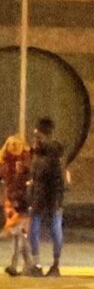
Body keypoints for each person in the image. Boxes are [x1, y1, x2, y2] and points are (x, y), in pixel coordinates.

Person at [24, 117, 66, 276]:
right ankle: (45, 264)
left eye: (37, 135)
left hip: (48, 197)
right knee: (38, 229)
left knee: (51, 229)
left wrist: (55, 200)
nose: (35, 138)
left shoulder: (49, 154)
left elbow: (55, 179)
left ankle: (49, 265)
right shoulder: (42, 153)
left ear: (43, 135)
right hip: (44, 197)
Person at [0, 133, 28, 276]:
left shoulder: (24, 160)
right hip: (12, 202)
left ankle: (17, 264)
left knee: (17, 232)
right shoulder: (5, 161)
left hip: (20, 201)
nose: (13, 147)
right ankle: (27, 264)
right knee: (19, 234)